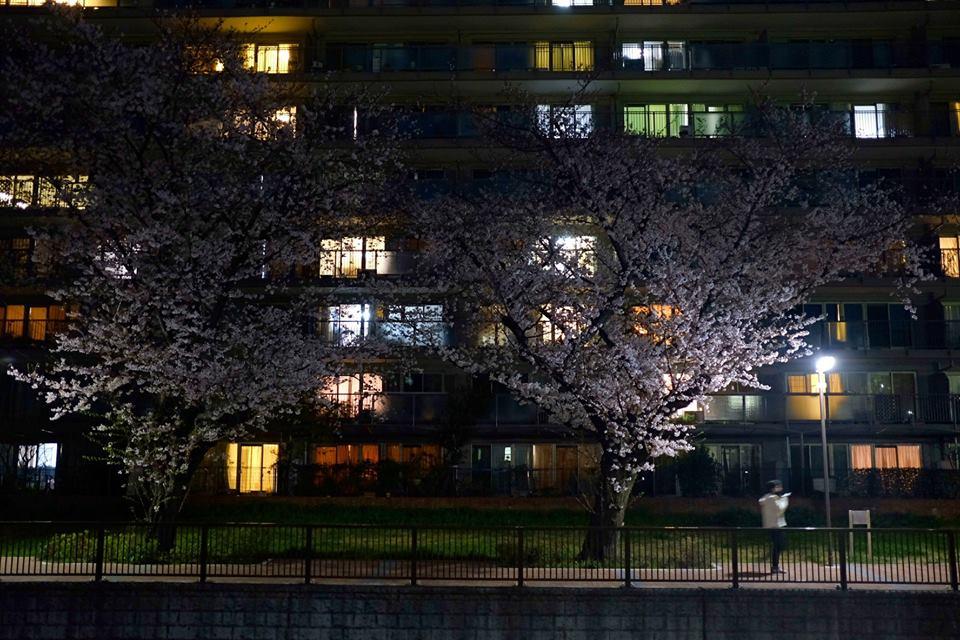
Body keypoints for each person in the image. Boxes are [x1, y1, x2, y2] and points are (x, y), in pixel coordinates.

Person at [758, 479, 790, 574]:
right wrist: (785, 499)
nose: (781, 488)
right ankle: (775, 567)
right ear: (773, 488)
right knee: (778, 546)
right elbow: (780, 509)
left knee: (778, 546)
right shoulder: (772, 498)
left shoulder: (766, 497)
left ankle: (775, 566)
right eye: (778, 486)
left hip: (772, 524)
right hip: (776, 525)